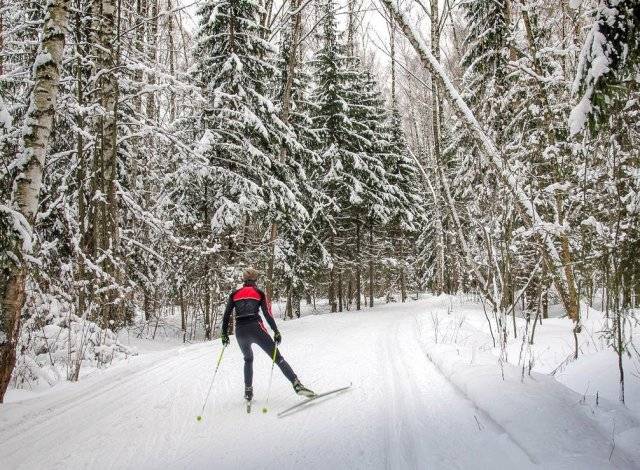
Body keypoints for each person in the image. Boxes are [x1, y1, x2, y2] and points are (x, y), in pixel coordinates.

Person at [221, 268, 314, 401]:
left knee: (248, 359)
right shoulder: (259, 293)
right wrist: (276, 331)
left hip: (240, 331)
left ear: (243, 279)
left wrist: (224, 334)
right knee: (277, 357)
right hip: (256, 328)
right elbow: (267, 314)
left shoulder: (234, 294)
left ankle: (248, 391)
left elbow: (226, 316)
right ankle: (296, 384)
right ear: (255, 280)